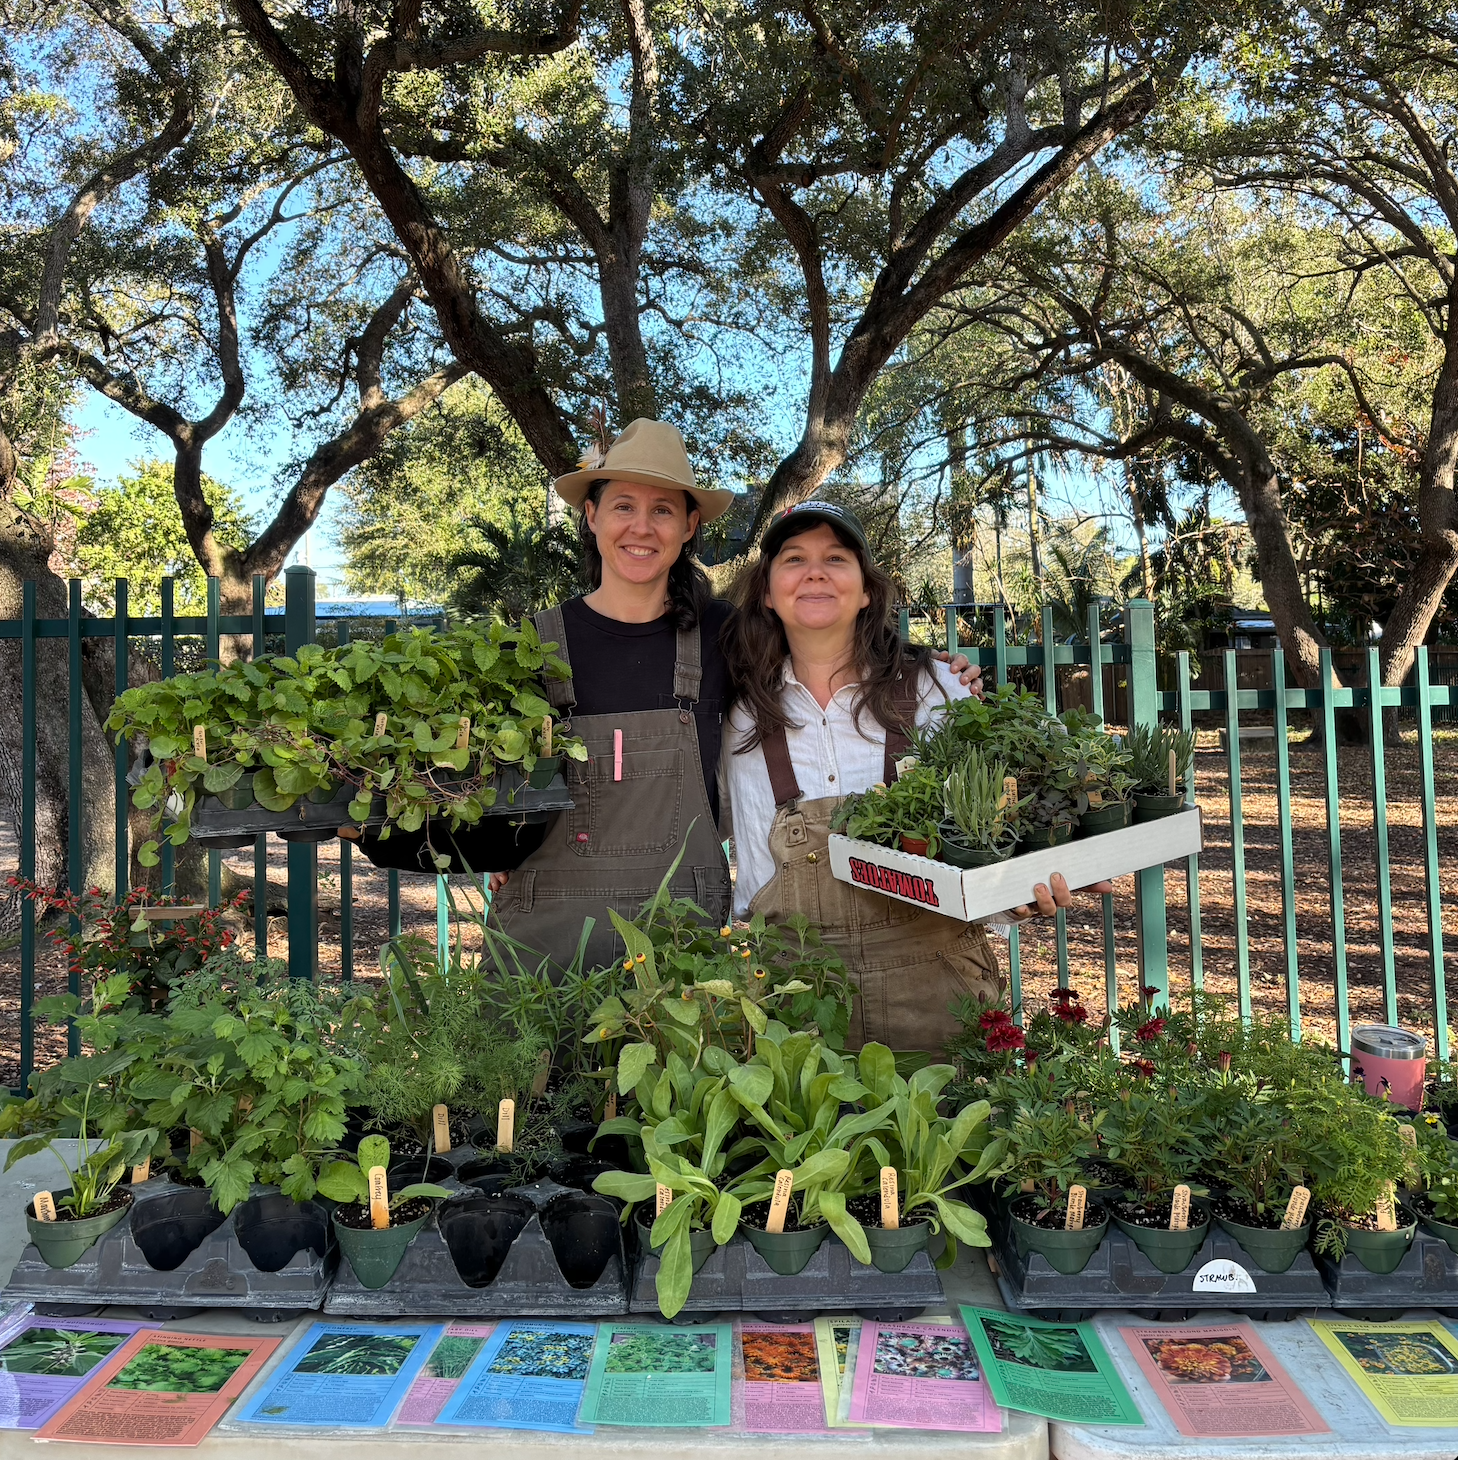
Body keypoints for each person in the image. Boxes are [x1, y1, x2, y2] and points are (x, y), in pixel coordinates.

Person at [722, 500, 1108, 1055]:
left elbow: (989, 829)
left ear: (866, 591)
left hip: (936, 985)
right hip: (790, 996)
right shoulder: (733, 710)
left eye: (836, 557)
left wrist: (1016, 895)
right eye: (793, 558)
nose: (815, 571)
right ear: (765, 590)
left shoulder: (939, 688)